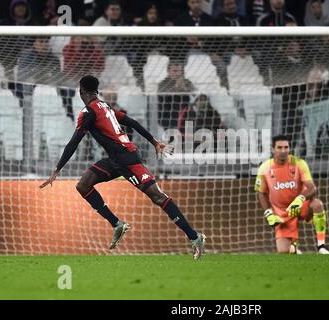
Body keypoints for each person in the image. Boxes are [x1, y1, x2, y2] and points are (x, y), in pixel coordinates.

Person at [39, 75, 206, 260]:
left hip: (127, 160)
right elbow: (131, 122)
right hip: (115, 160)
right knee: (83, 185)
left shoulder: (88, 113)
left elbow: (74, 142)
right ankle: (117, 223)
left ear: (81, 91)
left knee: (158, 197)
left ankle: (195, 237)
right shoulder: (105, 106)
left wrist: (57, 169)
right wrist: (153, 141)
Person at [255, 135, 329, 254]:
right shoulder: (264, 168)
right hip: (282, 212)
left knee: (317, 204)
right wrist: (268, 213)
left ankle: (321, 246)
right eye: (279, 147)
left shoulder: (299, 163)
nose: (283, 151)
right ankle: (294, 248)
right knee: (283, 251)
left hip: (300, 205)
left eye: (286, 147)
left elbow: (312, 188)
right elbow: (261, 193)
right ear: (272, 149)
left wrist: (300, 199)